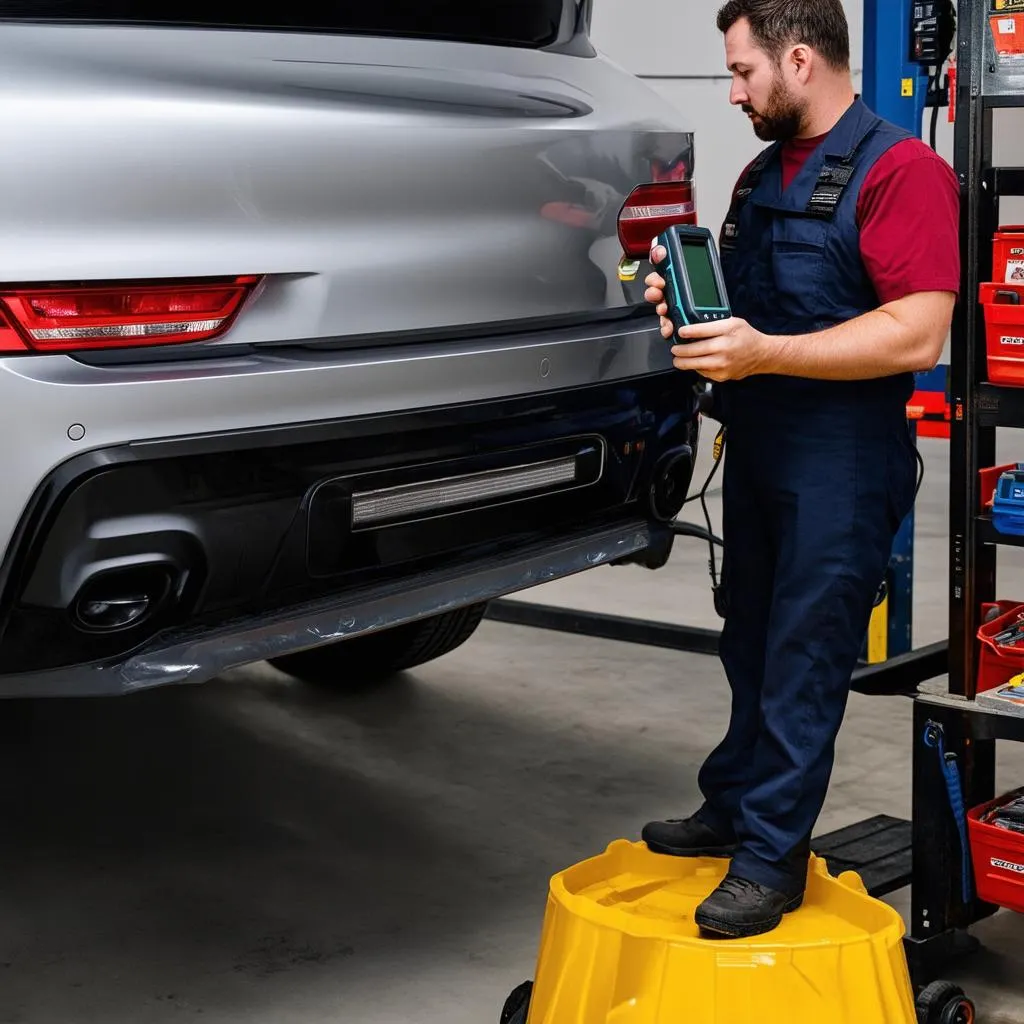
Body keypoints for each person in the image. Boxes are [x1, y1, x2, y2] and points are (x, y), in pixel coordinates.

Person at [640, 0, 960, 939]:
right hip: (761, 442)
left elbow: (919, 331)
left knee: (806, 657)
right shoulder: (758, 176)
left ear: (802, 61)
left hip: (843, 458)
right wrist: (688, 309)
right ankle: (735, 804)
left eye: (744, 73)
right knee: (749, 638)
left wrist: (764, 353)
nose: (733, 92)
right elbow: (749, 308)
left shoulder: (903, 172)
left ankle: (770, 858)